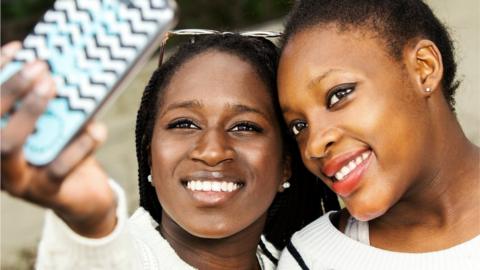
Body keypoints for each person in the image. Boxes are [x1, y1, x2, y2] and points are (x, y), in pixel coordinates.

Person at [1, 33, 339, 269]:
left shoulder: (302, 261)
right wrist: (89, 222)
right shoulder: (121, 256)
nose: (211, 151)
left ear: (286, 165)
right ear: (150, 153)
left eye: (245, 127)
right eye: (184, 124)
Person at [275, 0, 480, 269]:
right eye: (299, 126)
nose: (314, 145)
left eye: (339, 94)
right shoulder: (311, 260)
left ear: (423, 67)